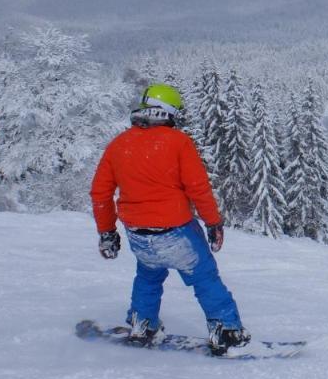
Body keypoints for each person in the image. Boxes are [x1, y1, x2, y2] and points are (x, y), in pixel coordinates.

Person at [90, 83, 249, 355]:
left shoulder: (119, 144)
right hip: (176, 231)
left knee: (148, 275)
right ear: (168, 112)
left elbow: (100, 192)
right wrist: (213, 223)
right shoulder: (178, 142)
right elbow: (198, 187)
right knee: (204, 277)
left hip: (139, 234)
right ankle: (226, 331)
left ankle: (142, 324)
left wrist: (107, 231)